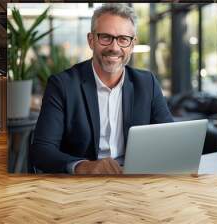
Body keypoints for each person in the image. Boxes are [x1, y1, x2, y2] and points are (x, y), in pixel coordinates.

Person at [31, 3, 173, 174]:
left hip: (135, 179)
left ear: (132, 44)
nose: (114, 47)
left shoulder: (147, 83)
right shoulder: (62, 85)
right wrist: (83, 166)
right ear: (91, 40)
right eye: (106, 37)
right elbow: (42, 151)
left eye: (123, 39)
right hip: (82, 185)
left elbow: (168, 139)